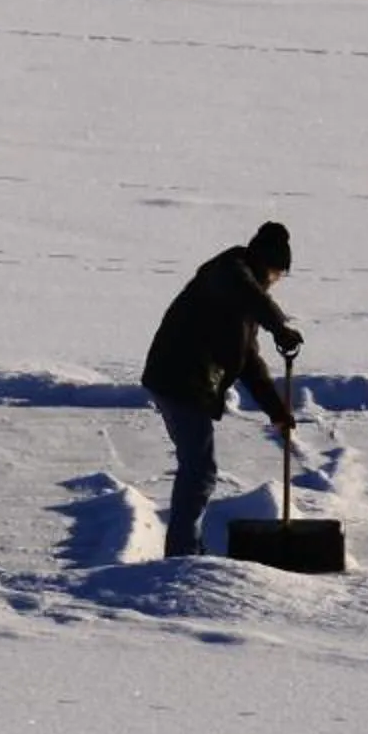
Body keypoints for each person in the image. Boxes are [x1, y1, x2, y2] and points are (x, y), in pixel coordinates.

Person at [141, 221, 304, 558]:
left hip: (186, 382)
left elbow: (248, 362)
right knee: (199, 469)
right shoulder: (228, 272)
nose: (275, 282)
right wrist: (280, 327)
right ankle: (183, 554)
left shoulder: (244, 307)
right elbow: (250, 293)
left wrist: (277, 412)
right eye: (276, 272)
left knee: (198, 468)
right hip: (178, 378)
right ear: (264, 263)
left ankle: (187, 548)